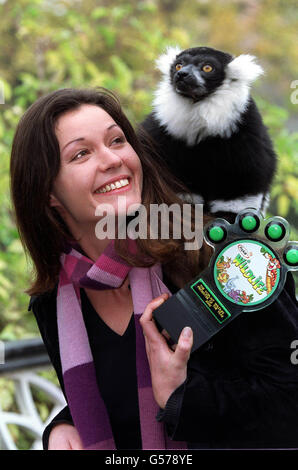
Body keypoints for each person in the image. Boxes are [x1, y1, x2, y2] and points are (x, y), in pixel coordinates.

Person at [10, 87, 298, 450]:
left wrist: (184, 396)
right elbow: (118, 400)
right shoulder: (57, 302)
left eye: (117, 141)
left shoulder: (219, 257)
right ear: (48, 193)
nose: (111, 159)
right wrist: (64, 424)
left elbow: (289, 400)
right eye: (81, 153)